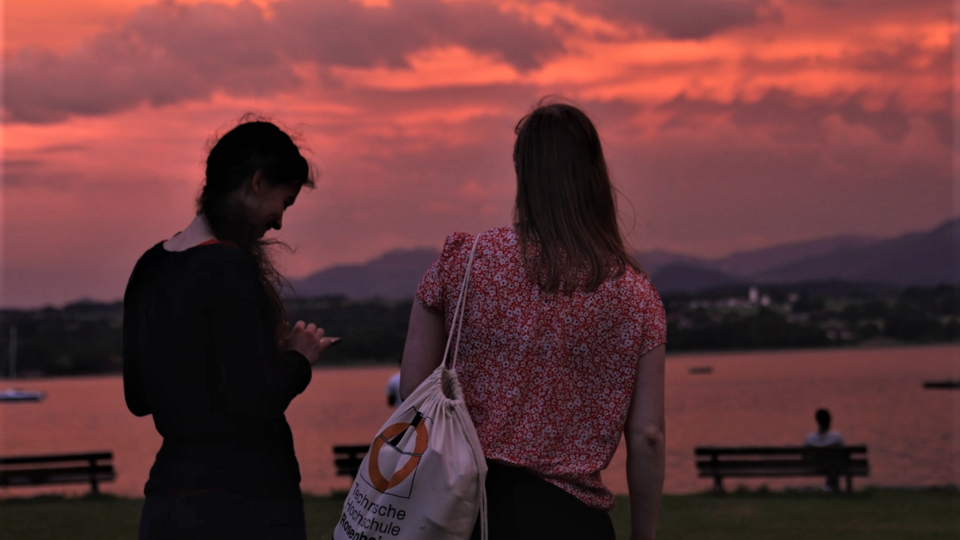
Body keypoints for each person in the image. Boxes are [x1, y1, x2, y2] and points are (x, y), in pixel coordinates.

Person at [400, 101, 667, 540]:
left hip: (467, 513)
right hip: (572, 520)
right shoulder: (635, 294)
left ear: (522, 170)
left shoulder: (463, 263)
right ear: (594, 174)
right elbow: (649, 435)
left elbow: (414, 394)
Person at [123, 120, 339, 540]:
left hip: (168, 501)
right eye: (285, 201)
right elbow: (254, 402)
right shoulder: (230, 268)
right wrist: (298, 358)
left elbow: (138, 398)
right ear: (258, 182)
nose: (278, 222)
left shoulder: (149, 266)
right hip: (245, 504)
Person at [804, 408, 845, 492]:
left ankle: (830, 487)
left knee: (832, 463)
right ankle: (832, 487)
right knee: (834, 463)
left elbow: (804, 456)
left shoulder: (809, 438)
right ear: (830, 421)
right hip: (834, 467)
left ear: (817, 421)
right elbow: (845, 453)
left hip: (815, 467)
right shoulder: (837, 437)